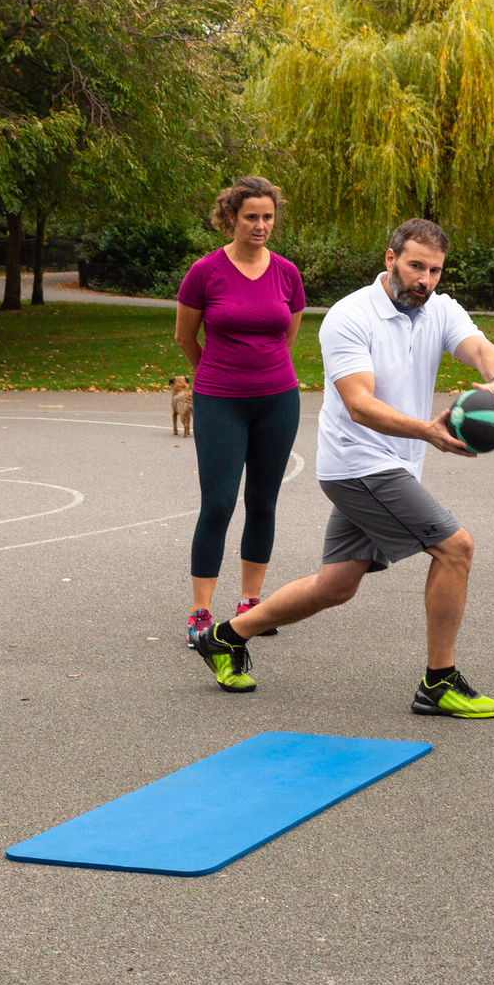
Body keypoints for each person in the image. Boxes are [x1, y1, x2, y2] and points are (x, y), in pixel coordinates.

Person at [190, 217, 494, 715]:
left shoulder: (440, 309)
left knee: (336, 584)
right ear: (390, 260)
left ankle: (226, 637)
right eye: (414, 266)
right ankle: (438, 683)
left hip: (395, 464)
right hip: (358, 464)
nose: (424, 280)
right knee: (455, 549)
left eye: (434, 270)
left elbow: (477, 347)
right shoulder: (349, 316)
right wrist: (428, 431)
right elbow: (359, 404)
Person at [175, 177, 305, 654]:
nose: (260, 225)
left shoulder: (287, 273)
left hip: (277, 399)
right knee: (218, 504)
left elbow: (286, 337)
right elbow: (186, 337)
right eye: (251, 216)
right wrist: (213, 377)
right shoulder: (204, 271)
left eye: (268, 216)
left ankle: (252, 604)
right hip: (219, 400)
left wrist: (262, 375)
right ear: (231, 217)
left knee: (264, 501)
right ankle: (201, 613)